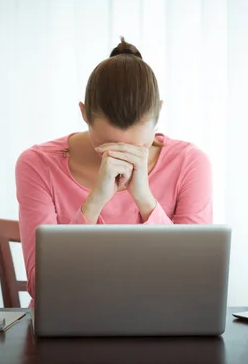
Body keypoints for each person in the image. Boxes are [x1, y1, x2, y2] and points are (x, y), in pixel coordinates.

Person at [15, 37, 212, 303]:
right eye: (108, 144)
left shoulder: (190, 163)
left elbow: (194, 281)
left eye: (139, 146)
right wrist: (95, 201)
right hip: (69, 328)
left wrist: (145, 199)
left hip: (162, 324)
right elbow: (43, 287)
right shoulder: (37, 164)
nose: (122, 156)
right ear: (84, 114)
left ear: (159, 114)